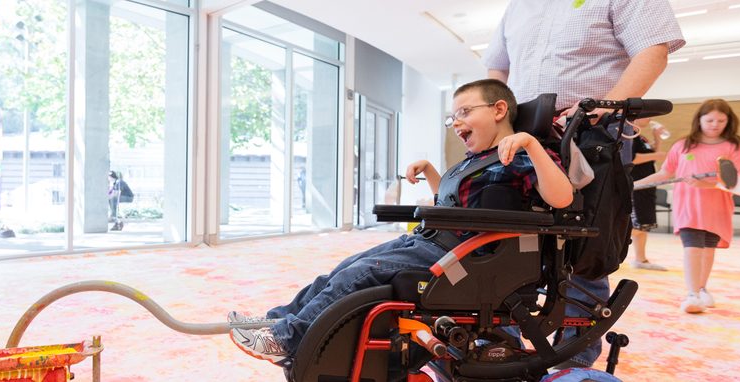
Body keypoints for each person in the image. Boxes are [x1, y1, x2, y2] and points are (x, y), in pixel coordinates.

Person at [228, 79, 574, 364]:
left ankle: (287, 339)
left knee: (359, 275)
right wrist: (432, 171)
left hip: (466, 259)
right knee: (347, 266)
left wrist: (531, 143)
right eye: (453, 116)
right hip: (436, 243)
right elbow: (451, 206)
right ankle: (278, 319)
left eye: (465, 112)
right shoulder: (477, 161)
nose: (456, 122)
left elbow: (562, 198)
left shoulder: (520, 156)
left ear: (499, 110)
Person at [483, 0, 684, 369]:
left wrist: (608, 107)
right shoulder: (518, 7)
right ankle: (499, 345)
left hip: (590, 134)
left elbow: (653, 50)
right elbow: (498, 67)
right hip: (522, 135)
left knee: (582, 248)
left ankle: (572, 361)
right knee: (503, 241)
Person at [634, 99, 740, 313]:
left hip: (717, 209)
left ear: (728, 121)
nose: (715, 124)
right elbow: (666, 173)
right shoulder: (683, 145)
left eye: (721, 120)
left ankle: (702, 288)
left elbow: (738, 181)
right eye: (710, 119)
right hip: (687, 208)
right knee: (692, 248)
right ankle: (692, 293)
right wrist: (633, 185)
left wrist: (708, 183)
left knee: (707, 250)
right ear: (699, 120)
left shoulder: (735, 147)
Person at [627, 119, 670, 271]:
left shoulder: (640, 136)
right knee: (636, 224)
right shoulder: (627, 134)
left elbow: (652, 153)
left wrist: (657, 138)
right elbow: (631, 158)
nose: (650, 119)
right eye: (647, 116)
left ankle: (641, 259)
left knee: (644, 224)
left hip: (647, 184)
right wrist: (657, 155)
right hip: (637, 183)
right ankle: (609, 243)